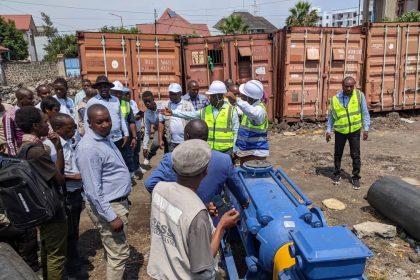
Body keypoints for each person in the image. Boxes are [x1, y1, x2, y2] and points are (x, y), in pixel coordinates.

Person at [147, 139, 240, 280]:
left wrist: (201, 206)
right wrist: (222, 226)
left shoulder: (159, 189)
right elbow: (203, 264)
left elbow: (179, 212)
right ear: (206, 171)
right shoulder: (197, 214)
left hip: (162, 272)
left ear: (173, 168)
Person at [76, 104, 131, 280]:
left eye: (108, 120)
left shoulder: (104, 138)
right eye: (99, 122)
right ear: (89, 123)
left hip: (116, 201)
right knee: (119, 254)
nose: (106, 124)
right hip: (109, 206)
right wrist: (111, 216)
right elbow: (92, 190)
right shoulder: (89, 148)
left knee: (113, 251)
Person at [145, 119, 248, 210]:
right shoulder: (224, 160)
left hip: (181, 217)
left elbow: (150, 184)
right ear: (207, 137)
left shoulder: (171, 158)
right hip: (211, 215)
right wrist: (244, 201)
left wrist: (173, 204)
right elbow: (236, 187)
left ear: (187, 136)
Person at [15, 106, 67, 280]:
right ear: (36, 126)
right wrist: (59, 149)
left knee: (47, 246)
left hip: (39, 206)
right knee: (56, 253)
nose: (48, 126)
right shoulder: (37, 152)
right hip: (51, 208)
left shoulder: (24, 148)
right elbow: (59, 178)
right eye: (45, 122)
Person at [50, 113, 85, 279]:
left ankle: (75, 259)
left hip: (75, 192)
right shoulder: (53, 147)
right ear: (58, 129)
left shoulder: (68, 143)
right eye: (70, 128)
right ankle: (73, 270)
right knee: (69, 233)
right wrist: (75, 176)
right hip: (67, 194)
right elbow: (53, 174)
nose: (74, 130)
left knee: (74, 229)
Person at [162, 80, 239, 155]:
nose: (209, 98)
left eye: (211, 96)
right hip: (209, 150)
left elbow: (236, 131)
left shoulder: (231, 111)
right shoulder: (206, 110)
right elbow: (190, 114)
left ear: (218, 97)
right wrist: (173, 113)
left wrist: (235, 149)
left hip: (226, 151)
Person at [326, 76, 370, 190]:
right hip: (340, 131)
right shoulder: (335, 99)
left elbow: (365, 113)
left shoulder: (359, 96)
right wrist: (328, 130)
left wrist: (366, 129)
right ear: (342, 85)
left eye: (351, 86)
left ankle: (356, 177)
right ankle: (337, 174)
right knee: (337, 154)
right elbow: (331, 117)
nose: (349, 88)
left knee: (355, 155)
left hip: (355, 131)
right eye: (347, 86)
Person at [84, 76, 129, 162]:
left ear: (109, 87)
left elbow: (121, 117)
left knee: (121, 161)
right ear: (97, 88)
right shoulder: (92, 102)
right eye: (100, 87)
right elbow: (87, 123)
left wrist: (126, 133)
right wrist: (89, 140)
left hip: (118, 138)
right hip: (102, 139)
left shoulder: (115, 100)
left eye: (105, 86)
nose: (103, 89)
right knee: (108, 162)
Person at [226, 80, 269, 165]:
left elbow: (254, 113)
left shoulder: (259, 110)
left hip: (255, 153)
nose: (242, 97)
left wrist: (237, 101)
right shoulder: (249, 108)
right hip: (247, 152)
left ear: (250, 97)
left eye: (244, 95)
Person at [111, 81, 137, 178]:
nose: (117, 95)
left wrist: (134, 137)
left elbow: (131, 121)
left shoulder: (126, 104)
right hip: (110, 137)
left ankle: (129, 174)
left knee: (127, 156)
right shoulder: (104, 103)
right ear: (110, 92)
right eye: (115, 92)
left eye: (119, 93)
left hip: (125, 137)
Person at [158, 83, 194, 152]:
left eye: (174, 94)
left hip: (185, 141)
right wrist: (160, 139)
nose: (172, 96)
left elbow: (193, 122)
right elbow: (161, 122)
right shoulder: (165, 105)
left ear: (180, 94)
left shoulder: (188, 105)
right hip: (171, 142)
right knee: (173, 161)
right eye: (170, 94)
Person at [2, 87, 35, 156]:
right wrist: (14, 158)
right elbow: (9, 139)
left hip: (39, 147)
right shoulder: (10, 116)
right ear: (20, 99)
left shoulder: (34, 110)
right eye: (30, 99)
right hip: (24, 151)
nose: (33, 101)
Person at [122, 89, 144, 174]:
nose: (128, 96)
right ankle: (131, 170)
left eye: (129, 94)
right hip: (128, 133)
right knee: (129, 153)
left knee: (137, 151)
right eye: (126, 94)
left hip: (137, 130)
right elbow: (128, 119)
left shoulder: (133, 103)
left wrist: (140, 115)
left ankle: (137, 167)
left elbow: (134, 115)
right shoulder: (122, 104)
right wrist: (134, 118)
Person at [142, 91, 166, 165]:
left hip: (168, 127)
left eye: (149, 101)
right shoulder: (146, 114)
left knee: (169, 146)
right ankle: (149, 155)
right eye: (145, 102)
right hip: (159, 129)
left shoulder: (163, 105)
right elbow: (147, 131)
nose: (147, 103)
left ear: (153, 99)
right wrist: (145, 146)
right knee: (156, 143)